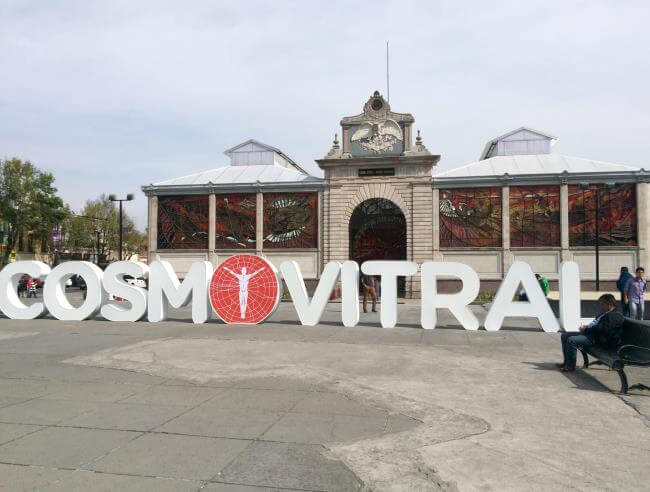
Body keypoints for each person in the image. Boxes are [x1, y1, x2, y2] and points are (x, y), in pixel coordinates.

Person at [558, 293, 624, 372]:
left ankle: (570, 366)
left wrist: (586, 329)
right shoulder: (605, 313)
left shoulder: (614, 316)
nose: (601, 306)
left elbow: (602, 330)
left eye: (602, 304)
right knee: (565, 335)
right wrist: (586, 327)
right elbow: (596, 325)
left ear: (609, 304)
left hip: (597, 339)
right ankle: (566, 362)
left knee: (571, 340)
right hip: (591, 334)